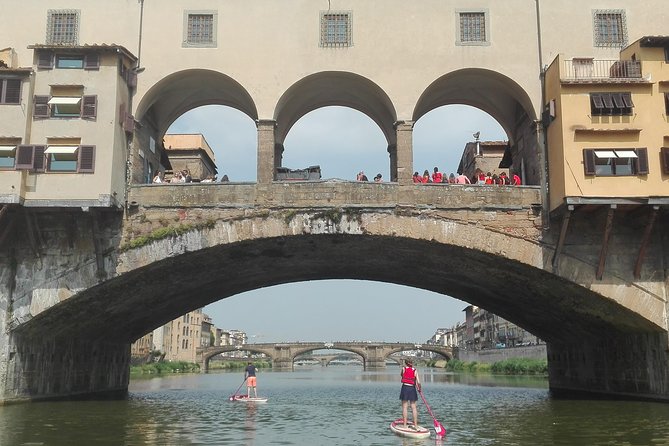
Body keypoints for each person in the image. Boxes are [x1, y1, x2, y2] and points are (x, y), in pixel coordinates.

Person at [399, 359, 421, 430]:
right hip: (412, 389)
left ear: (406, 363)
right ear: (412, 363)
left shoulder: (404, 368)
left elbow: (402, 375)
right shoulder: (415, 370)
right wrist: (419, 388)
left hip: (405, 388)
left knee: (405, 407)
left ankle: (405, 425)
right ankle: (416, 426)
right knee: (414, 407)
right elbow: (418, 382)